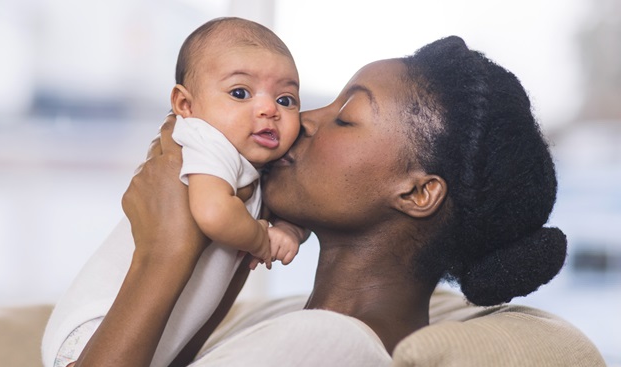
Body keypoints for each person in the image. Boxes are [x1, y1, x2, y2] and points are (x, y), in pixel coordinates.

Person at [67, 35, 570, 367]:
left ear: (418, 192)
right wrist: (227, 254)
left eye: (346, 117)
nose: (302, 119)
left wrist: (163, 254)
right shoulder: (295, 323)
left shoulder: (328, 346)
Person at [42, 17, 308, 367]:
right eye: (240, 93)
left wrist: (289, 230)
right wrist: (262, 239)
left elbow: (293, 210)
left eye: (286, 99)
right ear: (186, 106)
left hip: (151, 337)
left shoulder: (254, 165)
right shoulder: (206, 141)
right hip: (93, 330)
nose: (269, 109)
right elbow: (214, 213)